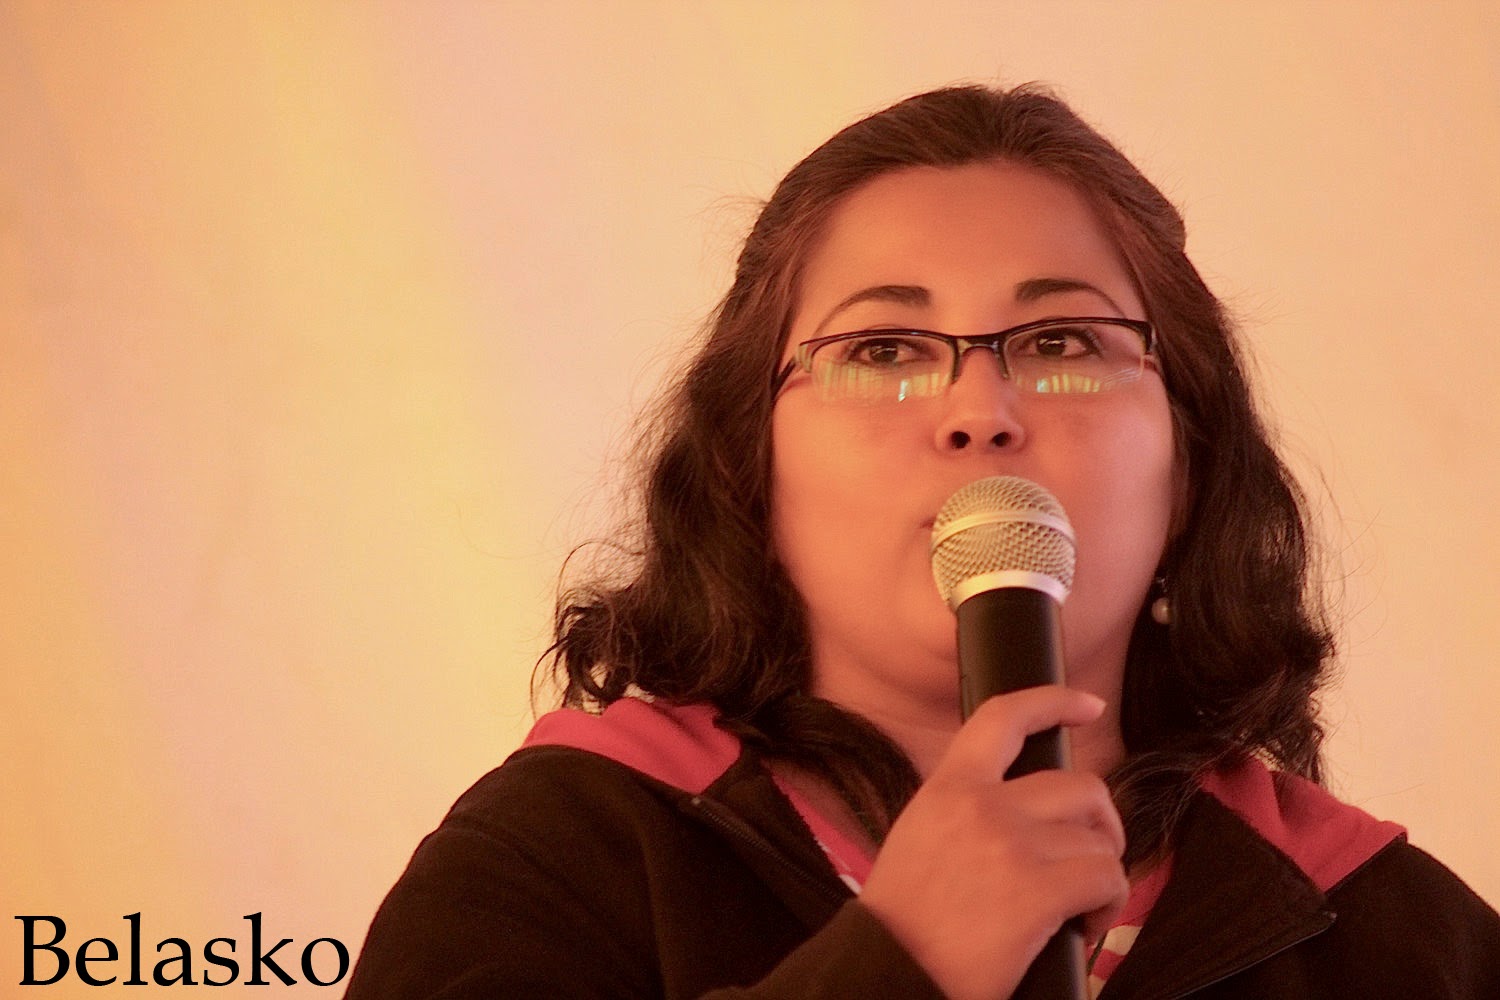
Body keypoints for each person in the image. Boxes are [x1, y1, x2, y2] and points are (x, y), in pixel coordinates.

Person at [344, 84, 1500, 999]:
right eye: (885, 350)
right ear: (751, 468)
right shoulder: (557, 859)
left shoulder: (1401, 939)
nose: (979, 410)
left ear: (1189, 464)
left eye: (1062, 340)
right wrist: (901, 961)